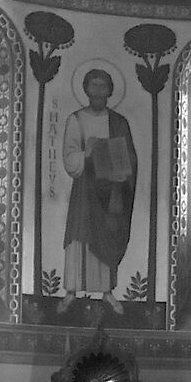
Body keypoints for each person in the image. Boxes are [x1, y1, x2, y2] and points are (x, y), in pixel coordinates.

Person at [61, 68, 138, 303]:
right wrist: (89, 152)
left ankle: (106, 292)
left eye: (102, 86)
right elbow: (70, 156)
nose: (98, 91)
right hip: (85, 188)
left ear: (110, 91)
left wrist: (119, 168)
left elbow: (130, 158)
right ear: (85, 89)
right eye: (93, 86)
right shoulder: (76, 119)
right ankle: (72, 291)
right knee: (80, 235)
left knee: (107, 235)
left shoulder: (119, 122)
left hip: (111, 190)